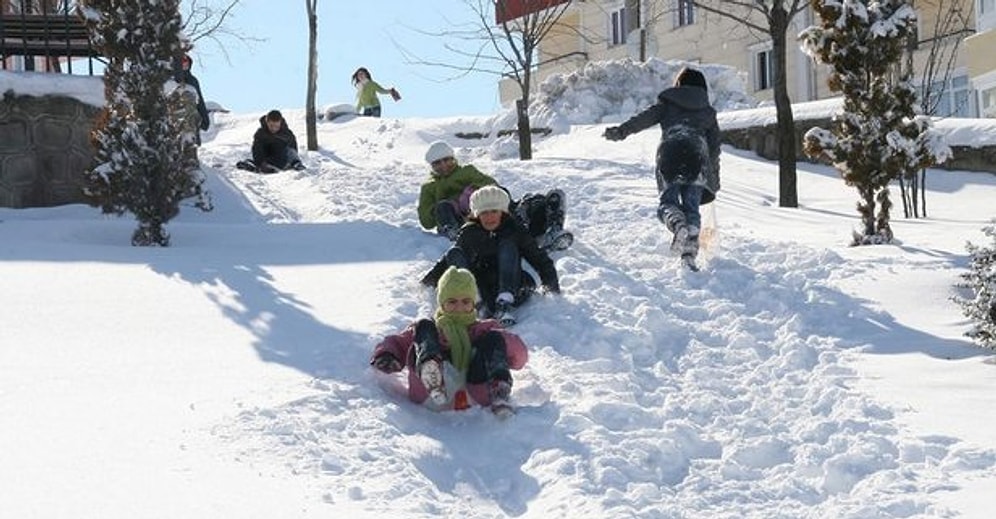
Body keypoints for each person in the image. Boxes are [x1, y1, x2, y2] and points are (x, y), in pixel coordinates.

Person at [603, 66, 721, 265]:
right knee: (692, 208)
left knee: (668, 203)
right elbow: (714, 148)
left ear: (679, 84)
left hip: (670, 155)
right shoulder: (707, 112)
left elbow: (643, 119)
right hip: (697, 157)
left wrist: (621, 131)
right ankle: (689, 254)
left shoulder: (668, 103)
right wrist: (714, 178)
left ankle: (677, 223)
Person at [371, 266, 527, 416]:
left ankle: (499, 389)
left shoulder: (484, 329)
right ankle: (431, 370)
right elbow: (398, 342)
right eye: (452, 302)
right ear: (442, 303)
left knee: (494, 338)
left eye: (465, 302)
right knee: (424, 325)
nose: (459, 307)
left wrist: (497, 339)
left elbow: (520, 358)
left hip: (476, 392)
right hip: (430, 395)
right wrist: (386, 355)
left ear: (473, 304)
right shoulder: (432, 330)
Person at [421, 186, 561, 326]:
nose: (489, 217)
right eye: (484, 213)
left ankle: (504, 303)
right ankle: (477, 303)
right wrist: (427, 283)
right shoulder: (469, 233)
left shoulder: (514, 230)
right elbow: (450, 260)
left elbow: (539, 258)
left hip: (515, 285)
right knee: (454, 252)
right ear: (477, 215)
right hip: (483, 288)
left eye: (494, 211)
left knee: (507, 245)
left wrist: (552, 287)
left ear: (502, 212)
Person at [417, 140, 573, 250]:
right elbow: (426, 221)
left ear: (453, 159)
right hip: (465, 222)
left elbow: (492, 184)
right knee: (443, 206)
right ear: (431, 166)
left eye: (446, 160)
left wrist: (474, 193)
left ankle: (550, 231)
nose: (443, 165)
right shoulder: (429, 187)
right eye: (437, 163)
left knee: (543, 199)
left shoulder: (467, 171)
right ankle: (459, 237)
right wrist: (450, 204)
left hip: (488, 209)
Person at [237, 109, 306, 173]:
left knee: (290, 151)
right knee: (256, 156)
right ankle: (255, 166)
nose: (274, 129)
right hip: (268, 159)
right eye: (271, 126)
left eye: (276, 126)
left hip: (283, 159)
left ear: (280, 123)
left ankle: (296, 164)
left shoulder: (287, 133)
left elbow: (293, 149)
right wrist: (261, 162)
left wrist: (292, 160)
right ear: (267, 122)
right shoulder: (260, 133)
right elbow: (256, 150)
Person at [174, 54, 210, 146]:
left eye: (186, 63)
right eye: (182, 63)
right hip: (176, 118)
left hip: (191, 118)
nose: (185, 65)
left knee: (190, 143)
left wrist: (205, 119)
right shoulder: (172, 80)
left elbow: (200, 101)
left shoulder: (192, 80)